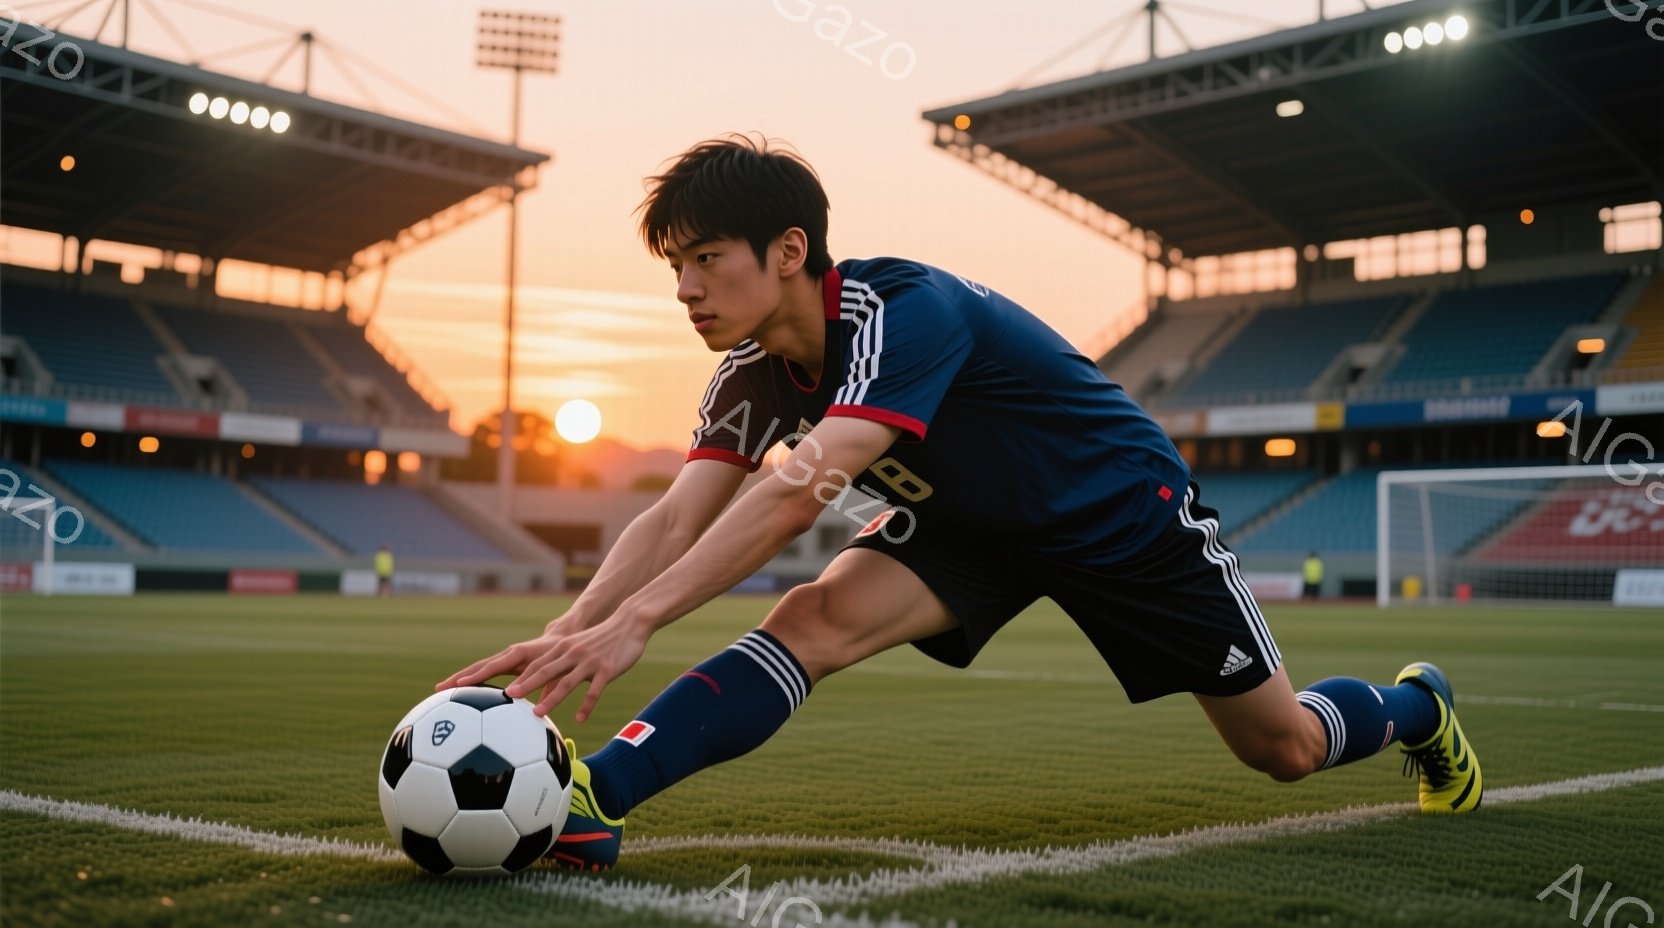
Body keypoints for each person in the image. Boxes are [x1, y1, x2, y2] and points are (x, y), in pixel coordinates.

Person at [438, 136, 1482, 872]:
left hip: (1116, 511)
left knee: (1282, 750)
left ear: (789, 251)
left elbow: (810, 481)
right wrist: (566, 631)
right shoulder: (745, 375)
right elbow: (674, 516)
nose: (686, 290)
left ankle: (1417, 709)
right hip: (971, 527)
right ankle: (592, 798)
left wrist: (638, 622)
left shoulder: (899, 308)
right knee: (808, 620)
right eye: (676, 267)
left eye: (705, 259)